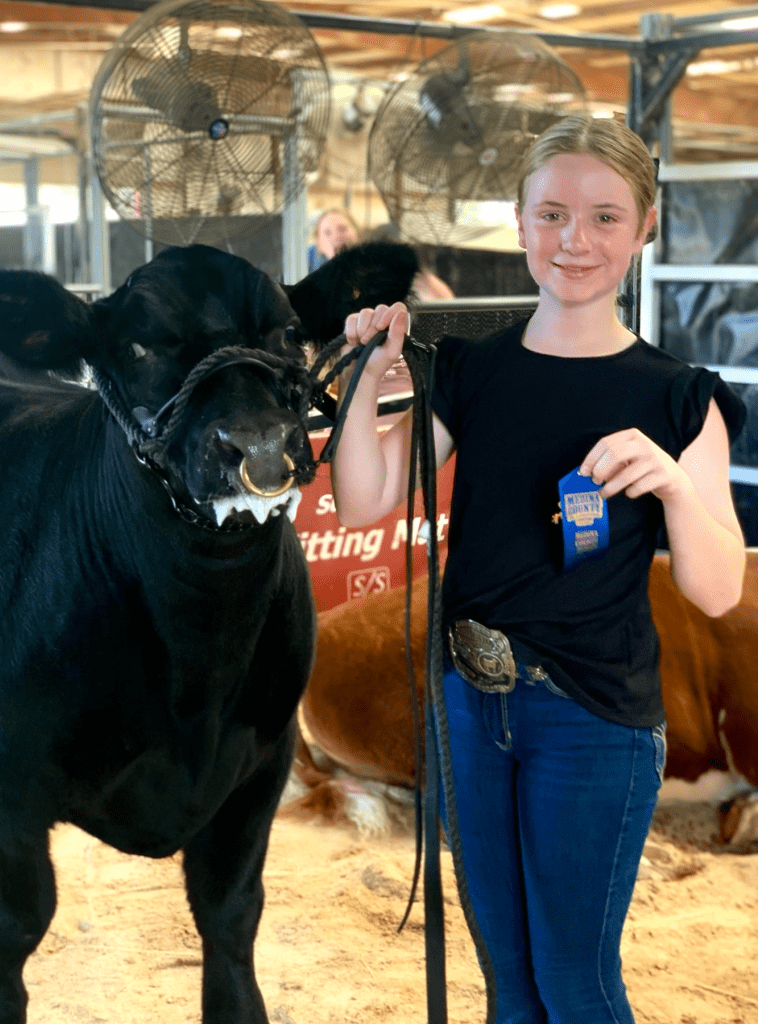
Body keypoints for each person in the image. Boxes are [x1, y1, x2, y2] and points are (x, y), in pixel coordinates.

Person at [329, 115, 745, 1023]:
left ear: (645, 228)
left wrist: (674, 485)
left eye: (604, 217)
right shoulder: (470, 372)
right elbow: (363, 498)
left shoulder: (678, 396)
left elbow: (716, 587)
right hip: (470, 709)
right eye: (551, 213)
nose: (574, 240)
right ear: (518, 224)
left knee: (576, 984)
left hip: (592, 719)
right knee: (508, 990)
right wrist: (369, 372)